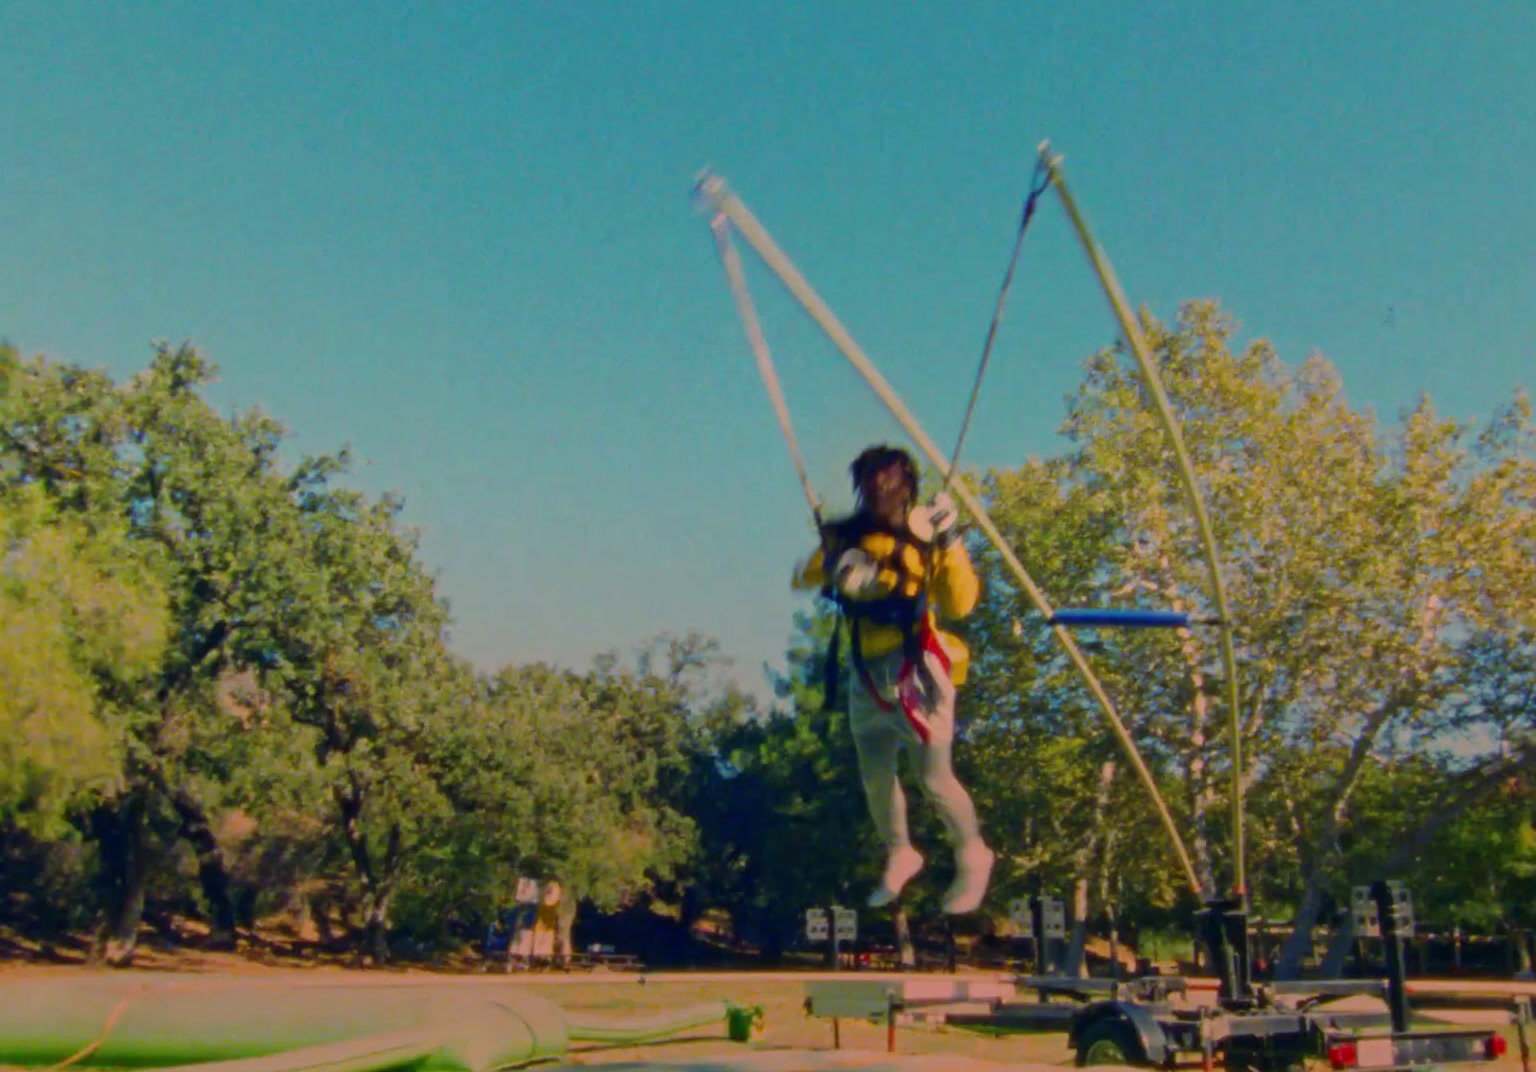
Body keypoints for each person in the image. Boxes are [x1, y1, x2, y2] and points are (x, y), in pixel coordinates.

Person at [792, 444, 995, 914]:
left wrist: (950, 541)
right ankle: (899, 849)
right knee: (875, 773)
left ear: (907, 484)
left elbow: (961, 604)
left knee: (934, 778)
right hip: (865, 673)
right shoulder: (849, 534)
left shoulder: (927, 532)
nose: (880, 490)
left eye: (889, 481)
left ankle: (972, 853)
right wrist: (834, 564)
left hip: (916, 667)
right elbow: (802, 577)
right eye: (870, 483)